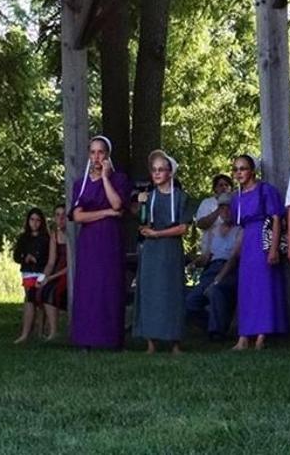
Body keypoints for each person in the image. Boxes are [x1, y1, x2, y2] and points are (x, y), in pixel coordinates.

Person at [70, 135, 132, 350]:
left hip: (110, 241)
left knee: (110, 287)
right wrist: (105, 213)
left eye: (101, 152)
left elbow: (117, 205)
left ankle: (111, 339)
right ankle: (86, 339)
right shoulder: (81, 184)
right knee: (88, 288)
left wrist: (105, 178)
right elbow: (77, 216)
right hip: (89, 242)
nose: (96, 157)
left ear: (107, 155)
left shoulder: (119, 180)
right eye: (93, 152)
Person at [133, 149, 191, 354]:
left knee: (172, 292)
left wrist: (158, 234)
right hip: (151, 252)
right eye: (154, 170)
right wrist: (140, 205)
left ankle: (175, 342)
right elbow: (143, 223)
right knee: (150, 291)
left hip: (170, 250)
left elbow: (183, 228)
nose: (157, 173)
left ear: (170, 172)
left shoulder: (181, 197)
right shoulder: (149, 198)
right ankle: (151, 342)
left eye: (161, 170)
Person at [230, 153, 288, 350]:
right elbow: (239, 225)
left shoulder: (265, 190)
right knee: (247, 289)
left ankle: (262, 335)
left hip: (263, 241)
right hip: (248, 243)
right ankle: (244, 336)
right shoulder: (236, 197)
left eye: (243, 168)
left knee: (264, 288)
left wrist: (273, 249)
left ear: (252, 170)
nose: (239, 173)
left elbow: (276, 218)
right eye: (236, 169)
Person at [185, 192, 239, 339]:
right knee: (190, 302)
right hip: (212, 269)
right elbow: (206, 256)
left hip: (230, 270)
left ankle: (217, 334)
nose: (225, 211)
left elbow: (233, 258)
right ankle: (212, 325)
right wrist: (193, 264)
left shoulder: (240, 230)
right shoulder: (213, 232)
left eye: (228, 208)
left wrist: (218, 279)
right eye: (222, 208)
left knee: (215, 291)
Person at [12, 207, 50, 344]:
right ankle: (27, 331)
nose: (35, 223)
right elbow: (16, 256)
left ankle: (41, 330)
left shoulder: (46, 239)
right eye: (32, 220)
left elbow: (49, 257)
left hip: (41, 272)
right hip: (28, 272)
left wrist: (38, 259)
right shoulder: (23, 238)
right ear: (28, 221)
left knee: (41, 300)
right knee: (30, 298)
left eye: (38, 220)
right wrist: (25, 258)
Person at [37, 204, 68, 341]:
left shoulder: (73, 234)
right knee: (41, 289)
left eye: (64, 215)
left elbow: (73, 264)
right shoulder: (54, 235)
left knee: (52, 290)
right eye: (57, 215)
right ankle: (48, 330)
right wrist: (43, 277)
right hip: (57, 269)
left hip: (69, 272)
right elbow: (51, 262)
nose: (61, 218)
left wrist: (50, 278)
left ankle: (54, 331)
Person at [194, 173, 233, 254]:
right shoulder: (207, 202)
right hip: (210, 251)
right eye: (221, 185)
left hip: (231, 251)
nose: (224, 187)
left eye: (227, 185)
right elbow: (200, 224)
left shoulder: (236, 203)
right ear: (215, 188)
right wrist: (219, 210)